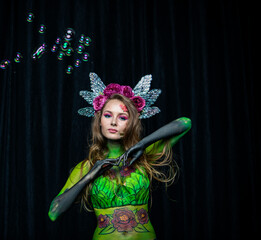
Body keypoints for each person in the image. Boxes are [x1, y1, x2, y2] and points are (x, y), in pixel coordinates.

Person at [48, 73, 191, 240]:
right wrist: (90, 175)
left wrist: (142, 144)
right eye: (108, 115)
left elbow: (185, 123)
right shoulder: (87, 166)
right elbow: (53, 212)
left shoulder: (144, 156)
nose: (114, 122)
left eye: (122, 117)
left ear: (131, 123)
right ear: (99, 120)